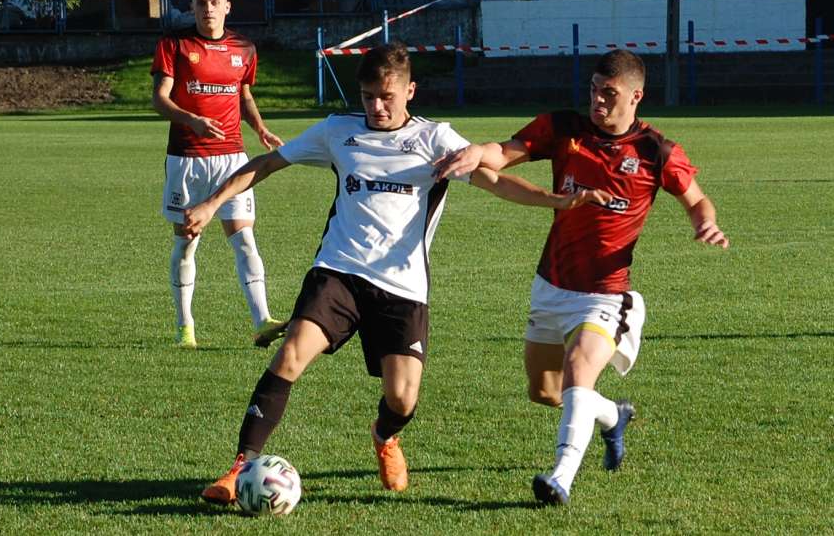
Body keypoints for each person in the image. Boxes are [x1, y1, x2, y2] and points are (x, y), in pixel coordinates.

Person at [182, 42, 609, 504]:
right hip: (338, 272)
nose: (377, 106)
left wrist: (558, 200)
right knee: (290, 356)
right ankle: (239, 467)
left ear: (410, 91)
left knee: (403, 399)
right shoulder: (337, 132)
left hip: (402, 286)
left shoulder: (435, 140)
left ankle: (385, 436)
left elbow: (496, 180)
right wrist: (210, 204)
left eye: (386, 96)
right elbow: (267, 163)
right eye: (368, 96)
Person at [433, 49, 730, 505]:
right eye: (593, 89)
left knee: (578, 371)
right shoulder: (562, 128)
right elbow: (504, 153)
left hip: (607, 296)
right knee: (546, 391)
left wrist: (704, 223)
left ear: (636, 96)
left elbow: (697, 199)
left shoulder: (656, 150)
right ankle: (613, 416)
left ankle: (561, 478)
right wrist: (477, 151)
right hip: (551, 286)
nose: (598, 100)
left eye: (609, 94)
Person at [151, 0, 287, 349]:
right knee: (187, 243)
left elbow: (243, 94)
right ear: (192, 8)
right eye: (200, 3)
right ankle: (185, 326)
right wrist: (191, 120)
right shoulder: (174, 44)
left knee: (244, 239)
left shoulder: (245, 48)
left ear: (227, 6)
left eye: (214, 2)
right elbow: (160, 98)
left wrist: (260, 127)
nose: (207, 9)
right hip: (187, 160)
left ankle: (262, 321)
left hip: (232, 158)